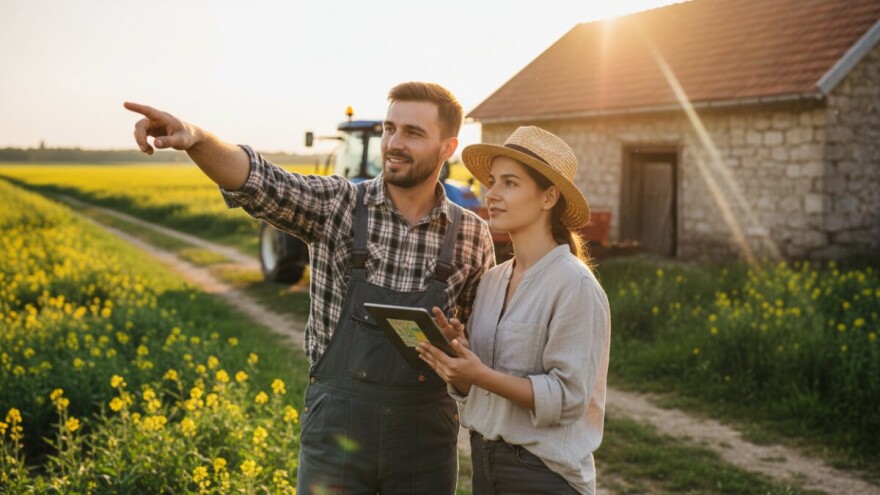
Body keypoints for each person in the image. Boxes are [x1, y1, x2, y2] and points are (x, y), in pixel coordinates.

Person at [124, 82, 495, 494]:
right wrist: (194, 137)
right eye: (390, 128)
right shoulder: (338, 204)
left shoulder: (472, 235)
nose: (393, 143)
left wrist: (458, 351)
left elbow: (479, 352)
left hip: (425, 444)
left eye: (413, 133)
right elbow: (258, 180)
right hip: (336, 429)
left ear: (447, 148)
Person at [417, 126, 611, 494]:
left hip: (543, 476)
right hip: (486, 467)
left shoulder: (575, 285)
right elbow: (477, 386)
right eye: (492, 182)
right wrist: (457, 356)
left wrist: (480, 375)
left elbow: (568, 398)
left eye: (510, 183)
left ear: (548, 197)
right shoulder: (492, 280)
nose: (491, 194)